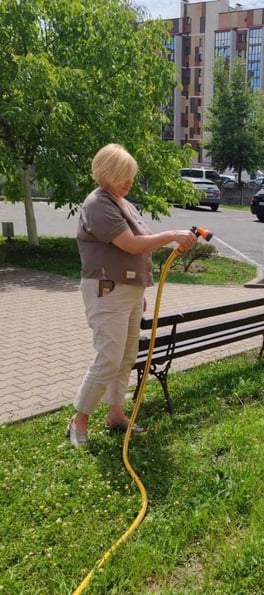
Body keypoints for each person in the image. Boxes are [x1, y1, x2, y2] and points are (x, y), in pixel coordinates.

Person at [67, 143, 198, 448]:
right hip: (107, 291)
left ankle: (115, 414)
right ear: (106, 174)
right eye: (122, 176)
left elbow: (136, 246)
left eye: (130, 177)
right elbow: (130, 244)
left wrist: (139, 291)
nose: (128, 183)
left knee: (125, 357)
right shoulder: (98, 204)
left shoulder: (123, 203)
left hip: (128, 292)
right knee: (109, 357)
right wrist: (171, 235)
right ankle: (79, 419)